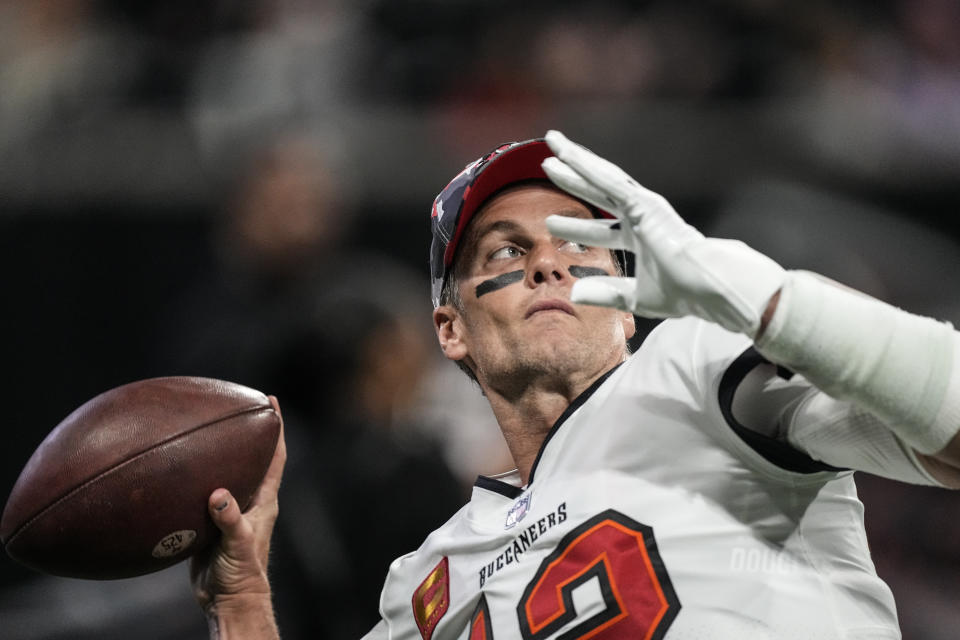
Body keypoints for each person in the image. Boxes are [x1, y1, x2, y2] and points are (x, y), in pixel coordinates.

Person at [191, 130, 960, 639]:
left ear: (628, 314)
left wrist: (761, 298)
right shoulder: (424, 577)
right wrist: (243, 608)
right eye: (503, 252)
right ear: (450, 329)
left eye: (580, 244)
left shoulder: (696, 369)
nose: (549, 263)